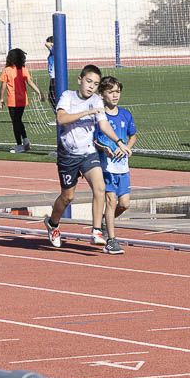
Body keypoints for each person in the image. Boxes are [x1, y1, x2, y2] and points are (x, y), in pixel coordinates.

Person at [42, 65, 130, 254]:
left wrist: (119, 141)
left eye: (95, 84)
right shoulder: (68, 96)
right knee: (68, 197)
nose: (91, 86)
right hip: (68, 155)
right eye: (89, 81)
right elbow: (61, 119)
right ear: (80, 79)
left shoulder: (97, 100)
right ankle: (52, 223)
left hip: (88, 153)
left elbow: (103, 124)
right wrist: (85, 112)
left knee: (100, 188)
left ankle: (97, 230)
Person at [93, 76, 136, 255]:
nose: (115, 95)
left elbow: (133, 136)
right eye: (110, 92)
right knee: (111, 201)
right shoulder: (99, 115)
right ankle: (111, 240)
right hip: (107, 167)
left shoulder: (126, 114)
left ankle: (104, 221)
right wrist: (105, 149)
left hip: (123, 167)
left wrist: (127, 147)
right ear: (102, 94)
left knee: (124, 204)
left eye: (117, 91)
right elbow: (95, 140)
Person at [0, 48, 43, 153]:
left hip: (13, 100)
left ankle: (19, 145)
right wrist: (39, 92)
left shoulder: (7, 70)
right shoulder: (23, 68)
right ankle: (26, 141)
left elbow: (3, 86)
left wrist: (1, 98)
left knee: (15, 122)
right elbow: (29, 82)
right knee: (18, 120)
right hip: (23, 99)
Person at [45, 36, 56, 105]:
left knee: (53, 98)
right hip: (53, 78)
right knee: (51, 98)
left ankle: (59, 114)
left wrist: (52, 43)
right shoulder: (53, 51)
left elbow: (46, 44)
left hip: (55, 78)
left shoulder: (55, 50)